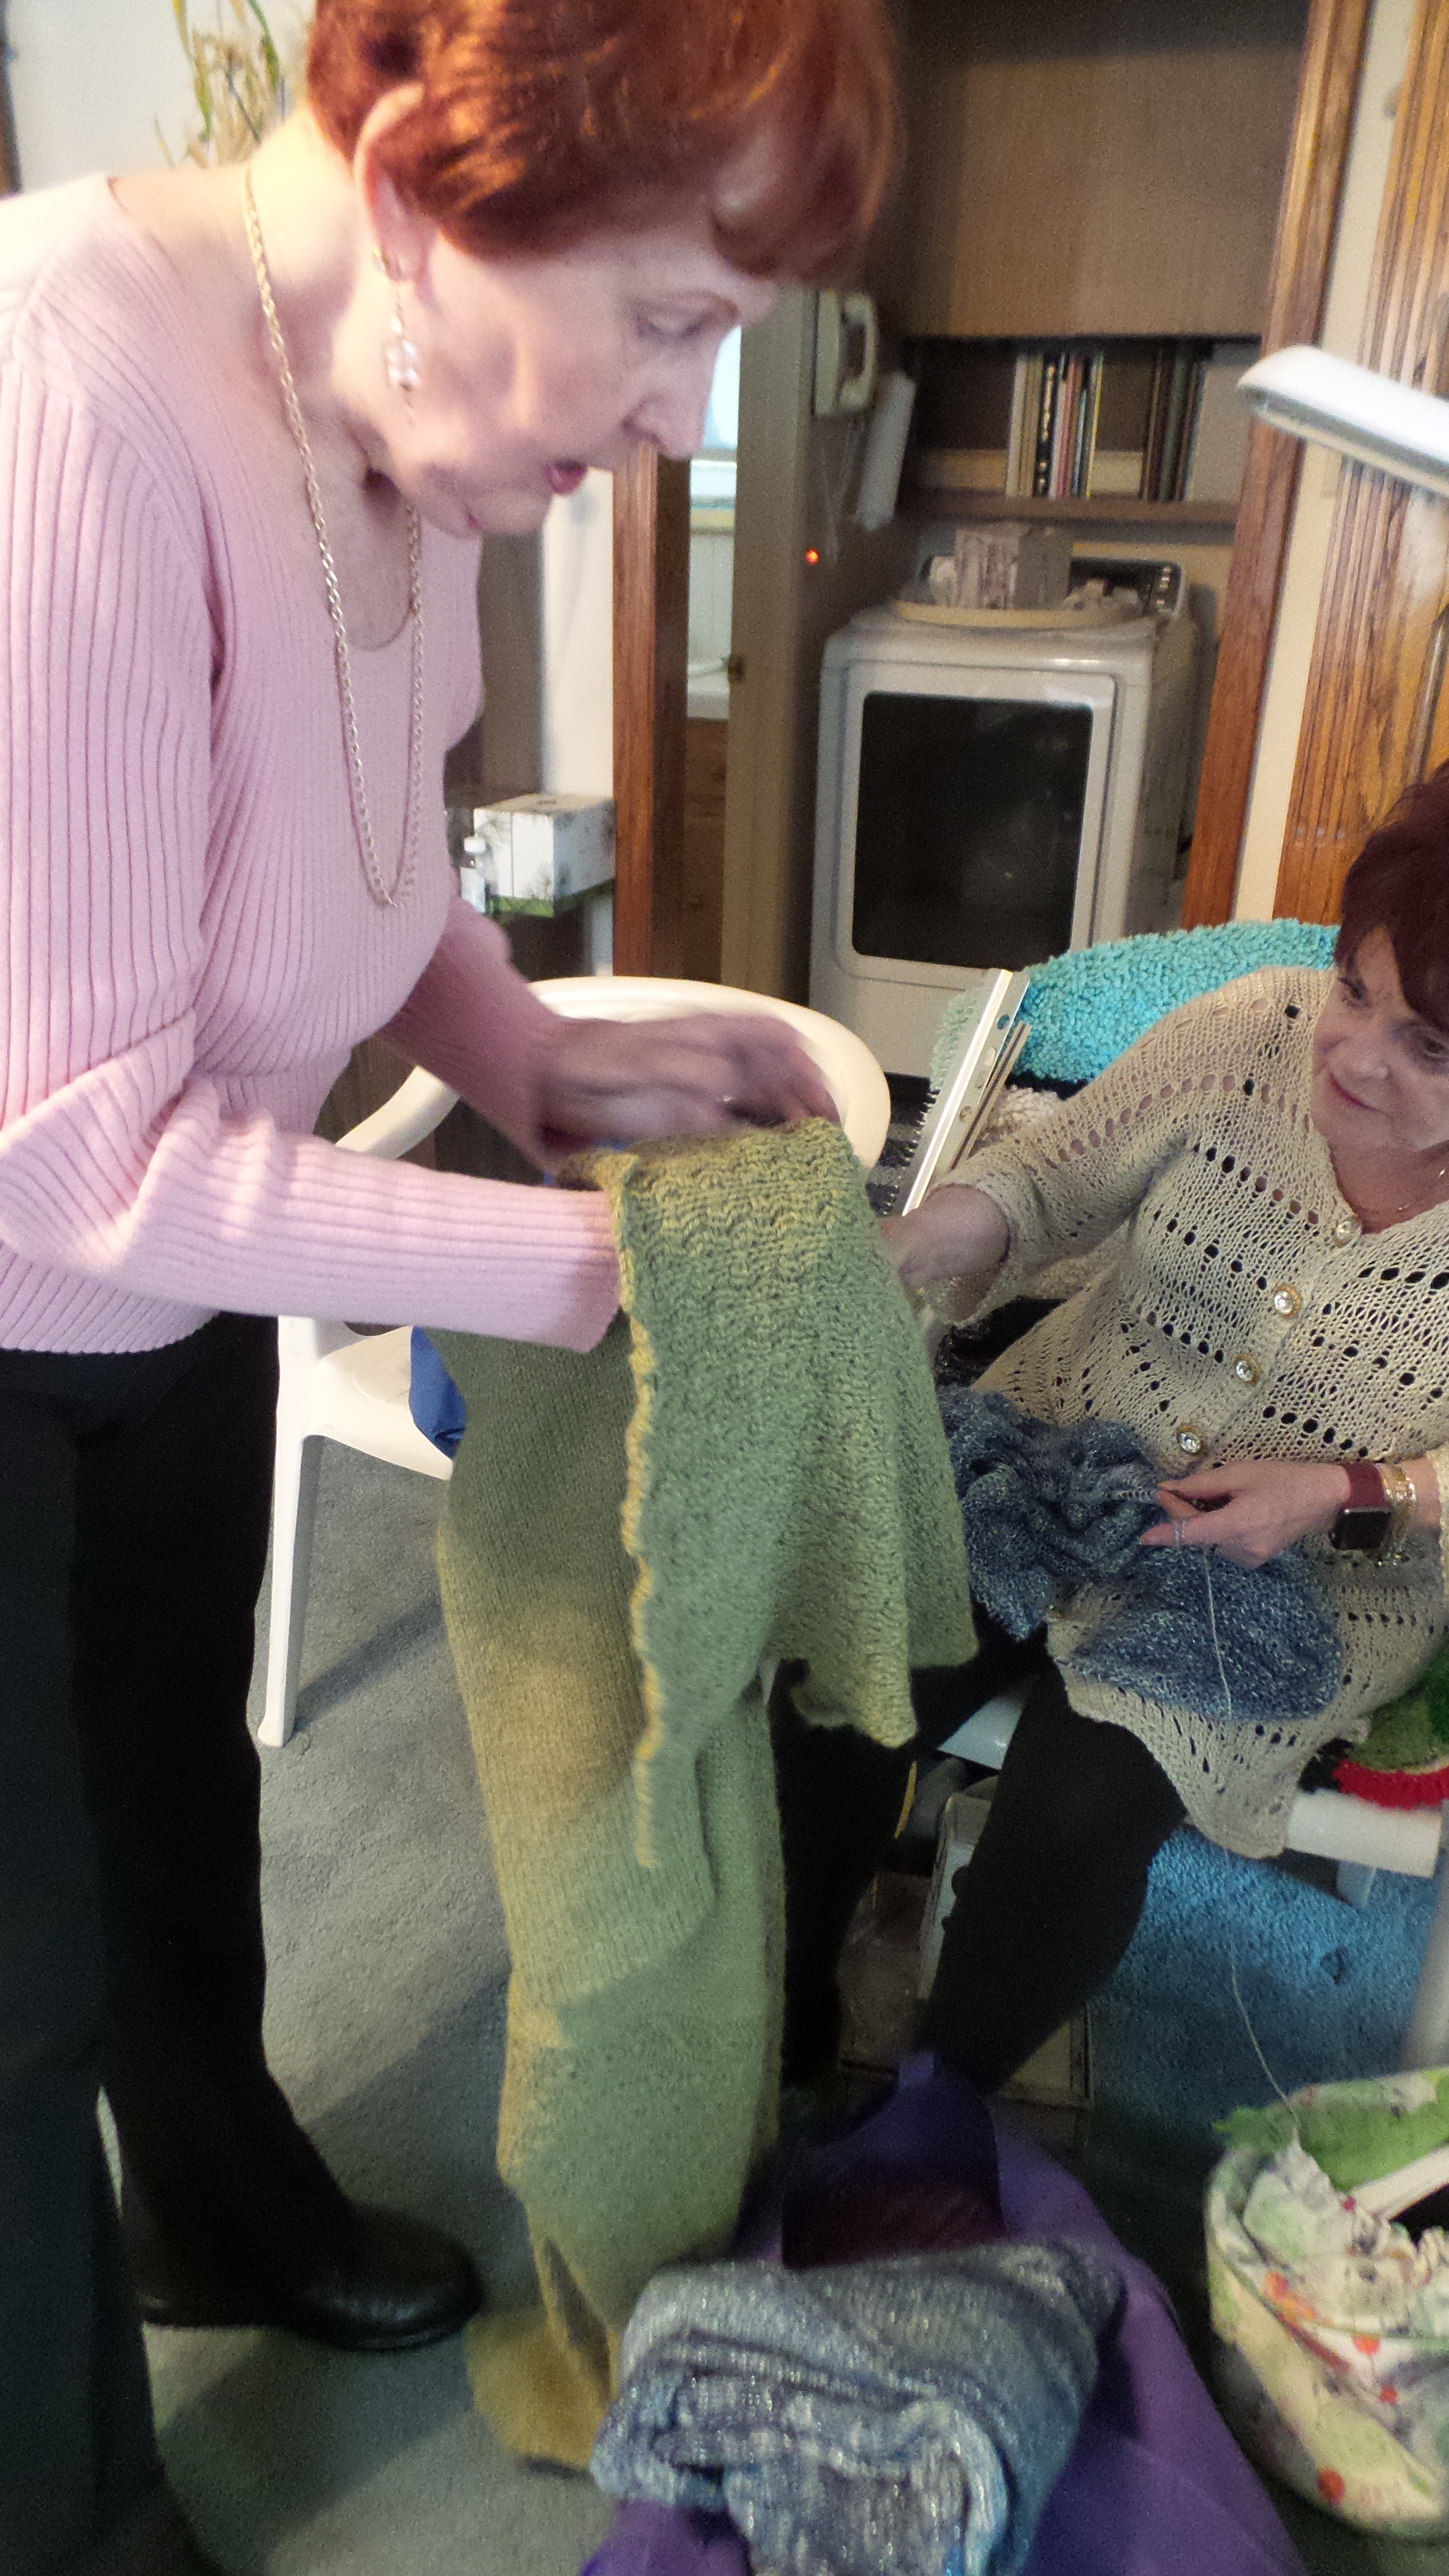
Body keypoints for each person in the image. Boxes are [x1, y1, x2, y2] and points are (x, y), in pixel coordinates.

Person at [0, 2, 898, 2567]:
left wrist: (542, 1063)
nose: (680, 423)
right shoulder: (69, 397)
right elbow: (64, 1150)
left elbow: (371, 862)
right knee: (12, 1984)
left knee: (173, 1803)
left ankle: (213, 2204)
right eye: (673, 322)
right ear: (418, 179)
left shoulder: (413, 412)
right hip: (37, 1261)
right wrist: (588, 1269)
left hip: (159, 1296)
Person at [776, 775, 1449, 2102]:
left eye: (1430, 1046)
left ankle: (936, 2113)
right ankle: (782, 2017)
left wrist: (1341, 1489)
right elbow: (1046, 1178)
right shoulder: (1254, 1029)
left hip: (1307, 1571)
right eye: (1354, 988)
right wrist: (907, 1243)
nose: (1353, 1053)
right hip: (1055, 1450)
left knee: (1082, 1807)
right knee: (843, 1671)